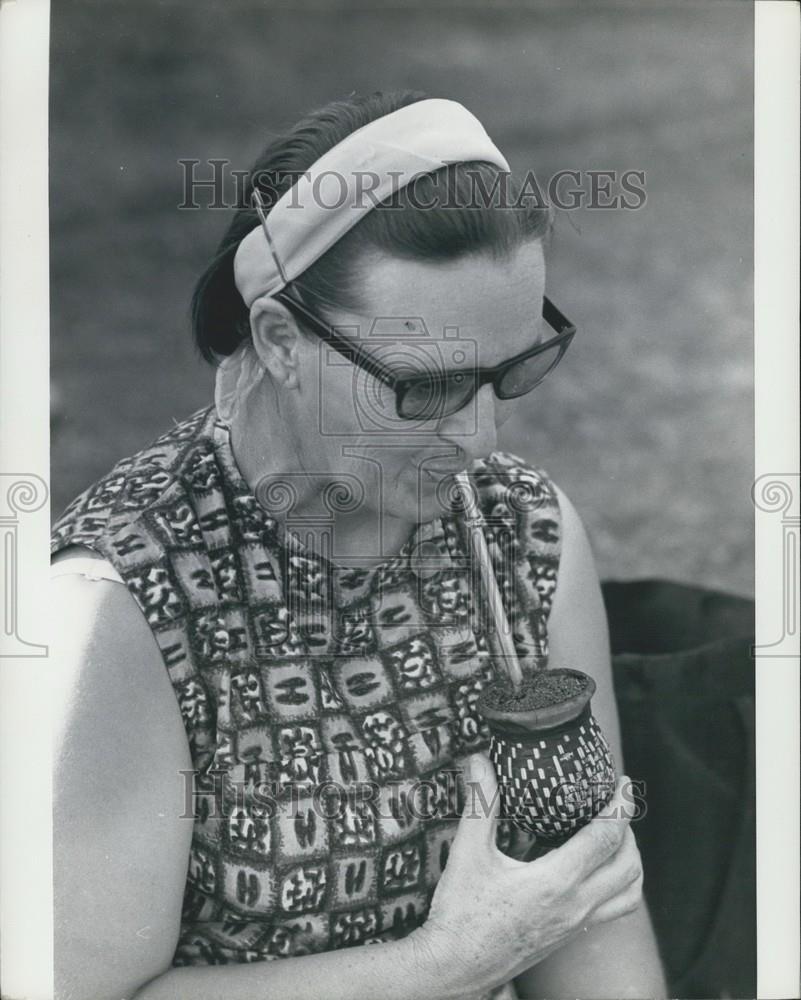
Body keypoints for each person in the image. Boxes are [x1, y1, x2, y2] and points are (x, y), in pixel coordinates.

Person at [51, 90, 667, 1000]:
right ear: (282, 341)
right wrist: (448, 967)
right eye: (427, 389)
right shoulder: (126, 608)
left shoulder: (522, 536)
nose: (480, 441)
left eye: (508, 373)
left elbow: (593, 936)